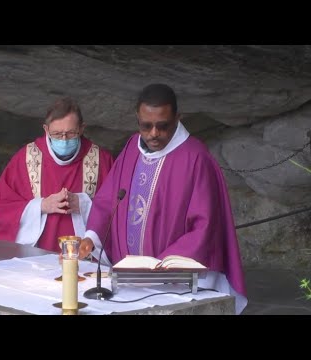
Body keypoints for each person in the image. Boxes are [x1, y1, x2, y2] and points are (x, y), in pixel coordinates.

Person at [79, 84, 247, 314]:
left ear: (177, 118)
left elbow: (205, 227)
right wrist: (91, 237)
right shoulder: (132, 148)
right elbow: (108, 199)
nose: (153, 134)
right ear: (137, 119)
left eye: (162, 126)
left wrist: (161, 265)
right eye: (146, 126)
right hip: (127, 279)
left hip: (176, 283)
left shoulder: (195, 158)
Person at [0, 97, 114, 253]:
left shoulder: (101, 160)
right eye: (57, 134)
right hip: (37, 258)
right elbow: (1, 204)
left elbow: (118, 208)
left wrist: (84, 204)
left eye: (71, 133)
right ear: (46, 130)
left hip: (86, 258)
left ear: (81, 129)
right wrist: (41, 206)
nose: (64, 139)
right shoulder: (26, 158)